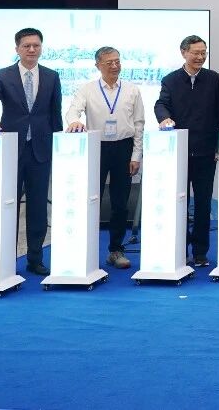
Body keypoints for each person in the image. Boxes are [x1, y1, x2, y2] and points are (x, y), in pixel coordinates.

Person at [0, 27, 62, 276]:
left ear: (41, 48)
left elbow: (55, 114)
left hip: (40, 151)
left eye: (36, 45)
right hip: (11, 150)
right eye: (26, 46)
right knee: (9, 205)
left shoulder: (51, 76)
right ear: (17, 49)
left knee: (38, 208)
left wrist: (59, 146)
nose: (31, 50)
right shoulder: (2, 75)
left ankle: (35, 259)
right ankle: (6, 259)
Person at [64, 46, 146, 270]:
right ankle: (85, 251)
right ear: (98, 65)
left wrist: (136, 155)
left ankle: (116, 250)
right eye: (109, 62)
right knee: (91, 199)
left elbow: (139, 124)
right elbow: (73, 111)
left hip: (124, 148)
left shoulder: (132, 90)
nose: (115, 66)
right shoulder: (88, 89)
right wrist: (74, 121)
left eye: (117, 61)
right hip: (96, 147)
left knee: (120, 203)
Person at [154, 36, 219, 268]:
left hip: (206, 151)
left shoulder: (214, 79)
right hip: (179, 153)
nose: (200, 57)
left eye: (203, 52)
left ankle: (200, 252)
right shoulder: (171, 80)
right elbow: (161, 104)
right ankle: (180, 250)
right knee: (179, 203)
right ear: (183, 52)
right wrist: (164, 118)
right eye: (196, 52)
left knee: (203, 204)